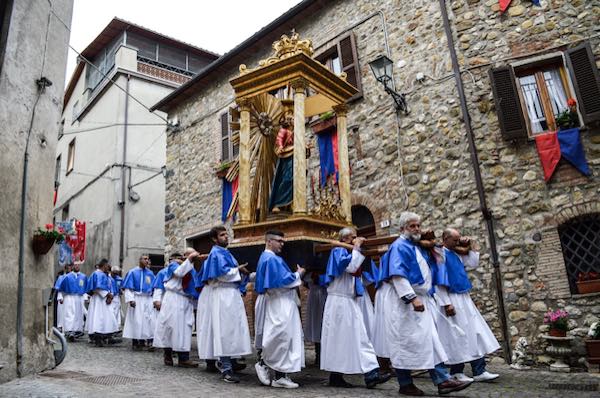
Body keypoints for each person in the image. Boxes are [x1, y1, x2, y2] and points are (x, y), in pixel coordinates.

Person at [381, 212, 471, 396]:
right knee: (409, 343)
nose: (417, 229)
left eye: (418, 226)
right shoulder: (399, 247)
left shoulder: (416, 246)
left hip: (421, 300)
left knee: (428, 340)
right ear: (402, 229)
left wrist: (434, 245)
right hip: (406, 303)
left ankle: (438, 381)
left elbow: (436, 264)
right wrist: (411, 298)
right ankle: (429, 381)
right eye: (412, 226)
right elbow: (397, 275)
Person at [320, 228, 390, 389]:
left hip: (347, 301)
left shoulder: (347, 251)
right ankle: (362, 375)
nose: (356, 239)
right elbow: (351, 268)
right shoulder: (338, 251)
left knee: (357, 338)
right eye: (353, 237)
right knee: (343, 340)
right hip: (339, 302)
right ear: (344, 239)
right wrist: (357, 248)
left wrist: (357, 250)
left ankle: (368, 374)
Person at [432, 228, 500, 383]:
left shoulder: (456, 253)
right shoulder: (439, 254)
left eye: (458, 240)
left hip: (463, 297)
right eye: (455, 240)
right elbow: (439, 281)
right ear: (445, 238)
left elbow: (473, 263)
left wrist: (471, 244)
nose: (457, 243)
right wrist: (446, 303)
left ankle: (479, 370)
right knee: (456, 335)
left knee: (474, 331)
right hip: (451, 298)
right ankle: (457, 371)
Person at [196, 226, 252, 383]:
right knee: (223, 331)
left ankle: (231, 362)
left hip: (231, 295)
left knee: (233, 330)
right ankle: (226, 368)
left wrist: (242, 272)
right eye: (222, 235)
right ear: (214, 239)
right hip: (223, 295)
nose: (226, 237)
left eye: (227, 234)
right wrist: (237, 270)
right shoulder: (215, 254)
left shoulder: (226, 253)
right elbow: (220, 275)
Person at [254, 230, 305, 388]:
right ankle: (263, 363)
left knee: (286, 337)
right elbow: (283, 281)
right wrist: (298, 274)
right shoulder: (270, 258)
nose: (282, 244)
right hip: (280, 301)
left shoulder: (271, 258)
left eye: (283, 241)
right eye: (279, 240)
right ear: (269, 241)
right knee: (279, 335)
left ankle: (280, 376)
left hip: (282, 300)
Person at [153, 249, 201, 367]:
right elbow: (179, 273)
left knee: (185, 329)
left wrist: (196, 303)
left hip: (185, 300)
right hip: (173, 299)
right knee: (169, 327)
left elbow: (194, 286)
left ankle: (183, 358)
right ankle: (168, 355)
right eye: (189, 255)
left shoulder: (191, 269)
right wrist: (157, 299)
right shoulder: (173, 266)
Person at [122, 255, 156, 351]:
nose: (147, 261)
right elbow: (128, 288)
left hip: (148, 298)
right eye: (144, 259)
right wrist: (131, 299)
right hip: (137, 298)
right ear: (139, 260)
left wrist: (154, 299)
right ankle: (136, 341)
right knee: (136, 320)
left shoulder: (150, 273)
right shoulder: (132, 272)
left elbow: (154, 288)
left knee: (149, 320)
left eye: (147, 259)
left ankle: (149, 341)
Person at [85, 259, 118, 347]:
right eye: (108, 265)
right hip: (98, 299)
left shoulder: (104, 275)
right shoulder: (97, 274)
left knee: (106, 317)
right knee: (98, 318)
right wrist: (108, 295)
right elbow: (97, 288)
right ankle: (97, 338)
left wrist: (109, 296)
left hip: (104, 299)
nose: (109, 267)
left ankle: (106, 336)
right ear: (104, 265)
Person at [56, 262, 87, 341]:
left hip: (79, 297)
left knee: (78, 314)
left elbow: (85, 288)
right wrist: (61, 297)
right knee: (69, 313)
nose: (77, 266)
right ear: (73, 266)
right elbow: (61, 289)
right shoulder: (67, 277)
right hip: (69, 296)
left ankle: (77, 330)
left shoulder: (83, 277)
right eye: (75, 265)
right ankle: (69, 331)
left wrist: (85, 297)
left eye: (78, 264)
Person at [302, 270, 327, 367]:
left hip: (324, 295)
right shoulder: (309, 271)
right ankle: (318, 355)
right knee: (315, 326)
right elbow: (305, 282)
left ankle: (323, 356)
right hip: (314, 297)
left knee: (322, 324)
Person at [54, 264, 72, 332]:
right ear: (65, 269)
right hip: (61, 295)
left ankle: (68, 326)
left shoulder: (72, 277)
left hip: (69, 296)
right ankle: (60, 325)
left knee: (68, 312)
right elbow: (57, 287)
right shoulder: (61, 277)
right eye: (68, 268)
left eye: (70, 268)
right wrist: (60, 297)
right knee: (61, 311)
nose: (69, 270)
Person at [109, 266, 123, 332]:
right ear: (111, 272)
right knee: (111, 312)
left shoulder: (119, 279)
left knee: (117, 312)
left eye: (117, 273)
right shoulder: (108, 278)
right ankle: (111, 327)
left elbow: (122, 287)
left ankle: (116, 327)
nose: (115, 275)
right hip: (110, 297)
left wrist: (121, 290)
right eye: (114, 273)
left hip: (117, 297)